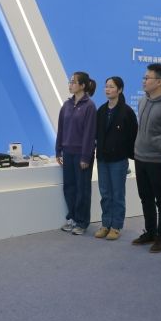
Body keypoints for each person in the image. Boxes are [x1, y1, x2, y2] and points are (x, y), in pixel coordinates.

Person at [132, 63, 161, 253]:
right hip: (140, 157)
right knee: (145, 198)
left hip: (158, 160)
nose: (144, 81)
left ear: (159, 82)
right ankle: (150, 232)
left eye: (147, 78)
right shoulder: (142, 100)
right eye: (144, 78)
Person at [94, 76, 138, 240]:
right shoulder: (101, 110)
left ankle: (116, 226)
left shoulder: (127, 111)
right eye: (106, 86)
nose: (108, 89)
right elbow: (96, 134)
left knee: (118, 194)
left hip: (118, 159)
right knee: (105, 193)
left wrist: (127, 154)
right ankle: (105, 224)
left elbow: (133, 135)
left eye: (111, 87)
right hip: (102, 159)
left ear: (120, 90)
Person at [56, 72, 97, 235]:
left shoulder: (89, 106)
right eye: (70, 82)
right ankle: (72, 218)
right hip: (67, 152)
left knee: (82, 189)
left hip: (82, 154)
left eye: (74, 82)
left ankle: (82, 222)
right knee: (69, 187)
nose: (70, 84)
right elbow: (61, 129)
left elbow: (89, 134)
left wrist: (86, 156)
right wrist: (58, 150)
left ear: (82, 85)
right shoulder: (66, 105)